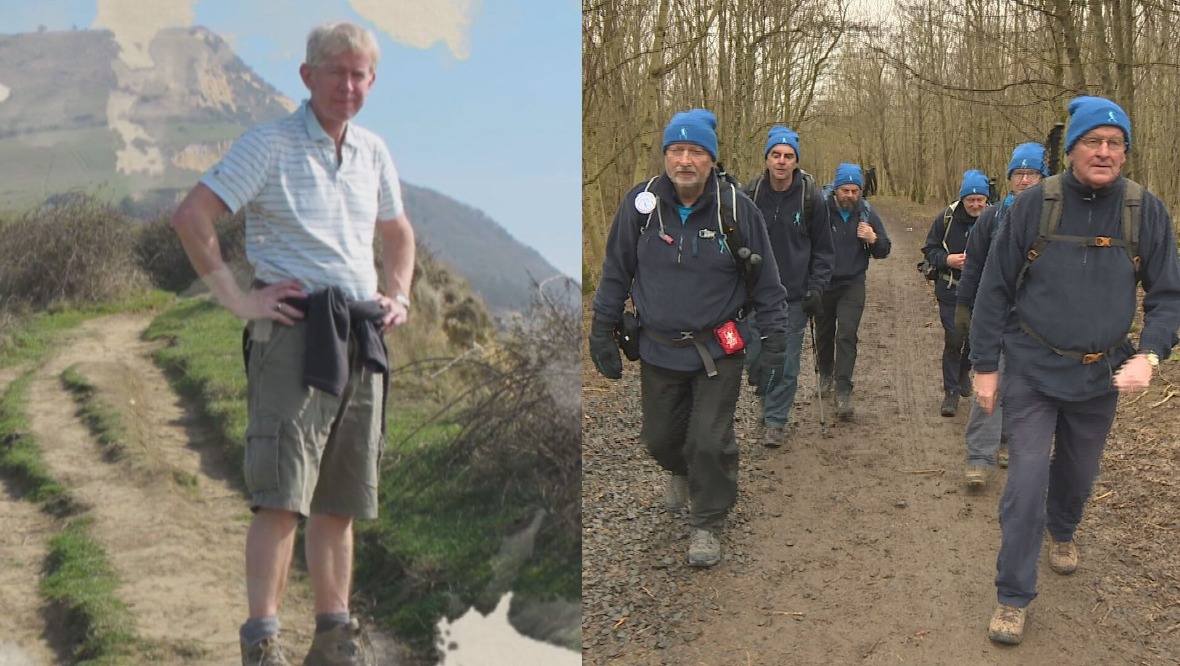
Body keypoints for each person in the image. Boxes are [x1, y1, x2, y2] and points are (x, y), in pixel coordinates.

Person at [171, 22, 415, 666]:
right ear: (307, 77)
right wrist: (236, 297)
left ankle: (333, 640)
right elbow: (192, 215)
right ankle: (264, 644)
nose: (348, 84)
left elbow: (398, 235)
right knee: (282, 498)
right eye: (335, 71)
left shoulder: (373, 152)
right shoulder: (269, 145)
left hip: (360, 336)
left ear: (373, 81)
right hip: (293, 335)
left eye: (360, 73)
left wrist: (400, 294)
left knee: (340, 501)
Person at [971, 96, 1180, 645]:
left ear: (1126, 153)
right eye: (1093, 141)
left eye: (1115, 144)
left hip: (1100, 376)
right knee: (1025, 480)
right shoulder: (1033, 206)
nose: (1105, 152)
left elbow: (1168, 297)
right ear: (1071, 150)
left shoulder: (1145, 211)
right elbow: (993, 289)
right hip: (1032, 369)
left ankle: (1063, 529)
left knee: (1078, 476)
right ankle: (1013, 595)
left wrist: (1150, 355)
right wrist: (984, 366)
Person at [588, 109, 789, 568]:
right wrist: (602, 326)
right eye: (676, 151)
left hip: (719, 348)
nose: (684, 161)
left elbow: (768, 285)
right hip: (658, 347)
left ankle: (708, 522)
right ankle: (682, 469)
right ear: (665, 156)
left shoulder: (737, 210)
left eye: (695, 152)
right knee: (659, 438)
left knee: (707, 439)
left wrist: (774, 342)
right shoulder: (640, 206)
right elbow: (617, 270)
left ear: (711, 160)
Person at [955, 144, 1047, 488]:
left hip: (1037, 320)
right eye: (1018, 174)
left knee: (1024, 387)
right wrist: (965, 307)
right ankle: (979, 457)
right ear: (1009, 179)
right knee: (988, 382)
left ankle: (1008, 442)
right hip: (996, 314)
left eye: (1031, 174)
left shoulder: (1054, 217)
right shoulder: (992, 217)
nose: (1024, 181)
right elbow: (974, 263)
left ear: (1042, 177)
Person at [741, 126, 833, 447]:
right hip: (753, 296)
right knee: (755, 356)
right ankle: (767, 403)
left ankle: (776, 420)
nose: (781, 161)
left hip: (793, 297)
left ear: (796, 161)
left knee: (787, 360)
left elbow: (823, 250)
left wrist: (817, 287)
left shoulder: (812, 199)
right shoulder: (749, 196)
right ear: (766, 159)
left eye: (788, 156)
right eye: (775, 155)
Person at [815, 163, 891, 419]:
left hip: (853, 283)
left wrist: (873, 239)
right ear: (835, 190)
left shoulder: (867, 212)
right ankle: (825, 372)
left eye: (854, 190)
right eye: (845, 190)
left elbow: (884, 249)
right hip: (823, 282)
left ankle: (843, 389)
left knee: (846, 335)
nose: (850, 195)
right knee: (824, 333)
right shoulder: (819, 209)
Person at [922, 169, 990, 417]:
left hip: (983, 292)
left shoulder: (995, 218)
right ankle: (950, 392)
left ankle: (964, 369)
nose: (975, 205)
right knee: (953, 337)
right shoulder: (946, 219)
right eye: (970, 200)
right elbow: (929, 249)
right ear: (962, 199)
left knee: (975, 339)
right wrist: (947, 259)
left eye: (980, 200)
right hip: (951, 287)